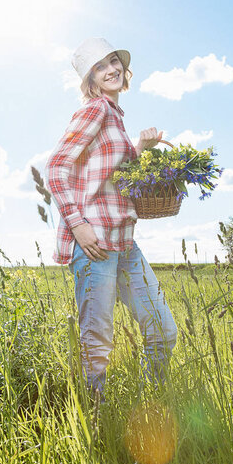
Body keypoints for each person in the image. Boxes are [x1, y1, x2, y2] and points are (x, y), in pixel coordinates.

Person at [45, 37, 177, 398]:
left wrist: (142, 149)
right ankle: (95, 423)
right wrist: (78, 224)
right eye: (100, 66)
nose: (111, 69)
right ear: (90, 80)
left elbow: (114, 175)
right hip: (95, 245)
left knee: (163, 331)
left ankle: (154, 406)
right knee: (96, 347)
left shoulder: (116, 118)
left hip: (124, 242)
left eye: (113, 61)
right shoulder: (96, 110)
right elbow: (55, 168)